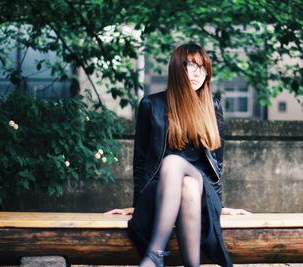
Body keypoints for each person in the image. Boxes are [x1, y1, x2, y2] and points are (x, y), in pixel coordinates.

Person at [105, 43, 249, 267]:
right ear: (175, 69)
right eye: (190, 66)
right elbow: (141, 162)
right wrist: (139, 203)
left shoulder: (212, 106)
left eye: (202, 68)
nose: (197, 73)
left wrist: (218, 205)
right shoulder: (151, 105)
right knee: (186, 185)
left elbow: (216, 164)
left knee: (174, 164)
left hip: (202, 187)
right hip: (163, 187)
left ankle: (155, 254)